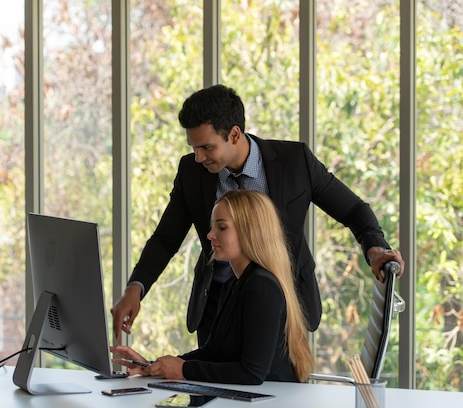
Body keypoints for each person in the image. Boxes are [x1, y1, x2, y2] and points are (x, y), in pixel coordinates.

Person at [111, 84, 405, 346]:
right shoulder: (192, 172)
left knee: (282, 401)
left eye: (206, 147)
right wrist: (135, 288)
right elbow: (166, 238)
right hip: (217, 308)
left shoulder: (294, 162)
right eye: (194, 147)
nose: (199, 157)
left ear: (235, 134)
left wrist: (375, 249)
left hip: (286, 305)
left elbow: (353, 209)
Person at [111, 190, 315, 384]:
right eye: (212, 226)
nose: (210, 235)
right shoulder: (235, 283)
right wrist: (154, 367)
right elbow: (212, 353)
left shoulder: (261, 286)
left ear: (249, 230)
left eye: (222, 227)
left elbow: (252, 373)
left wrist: (182, 370)